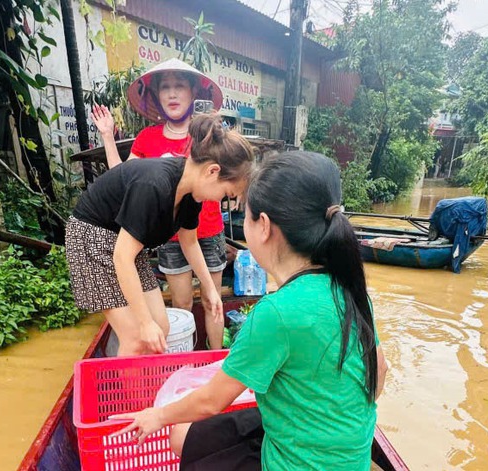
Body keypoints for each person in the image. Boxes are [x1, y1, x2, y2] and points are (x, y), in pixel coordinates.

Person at [112, 151, 390, 470]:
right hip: (350, 459)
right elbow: (379, 373)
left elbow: (211, 401)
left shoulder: (276, 313)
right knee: (184, 436)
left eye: (245, 215)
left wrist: (156, 415)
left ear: (264, 226)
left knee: (179, 434)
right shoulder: (351, 290)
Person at [65, 113, 254, 356]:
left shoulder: (191, 194)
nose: (221, 200)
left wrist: (209, 289)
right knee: (136, 337)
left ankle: (139, 371)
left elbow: (189, 242)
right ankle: (126, 379)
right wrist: (144, 323)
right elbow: (122, 257)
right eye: (226, 194)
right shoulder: (155, 185)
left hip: (126, 243)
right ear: (212, 171)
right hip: (93, 237)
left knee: (161, 327)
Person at [92, 58, 230, 349]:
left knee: (212, 299)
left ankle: (215, 360)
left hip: (208, 230)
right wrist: (107, 137)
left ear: (193, 92)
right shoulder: (148, 137)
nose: (172, 93)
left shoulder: (207, 135)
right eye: (165, 87)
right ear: (156, 96)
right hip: (169, 235)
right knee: (181, 302)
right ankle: (184, 359)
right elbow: (123, 178)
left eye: (179, 86)